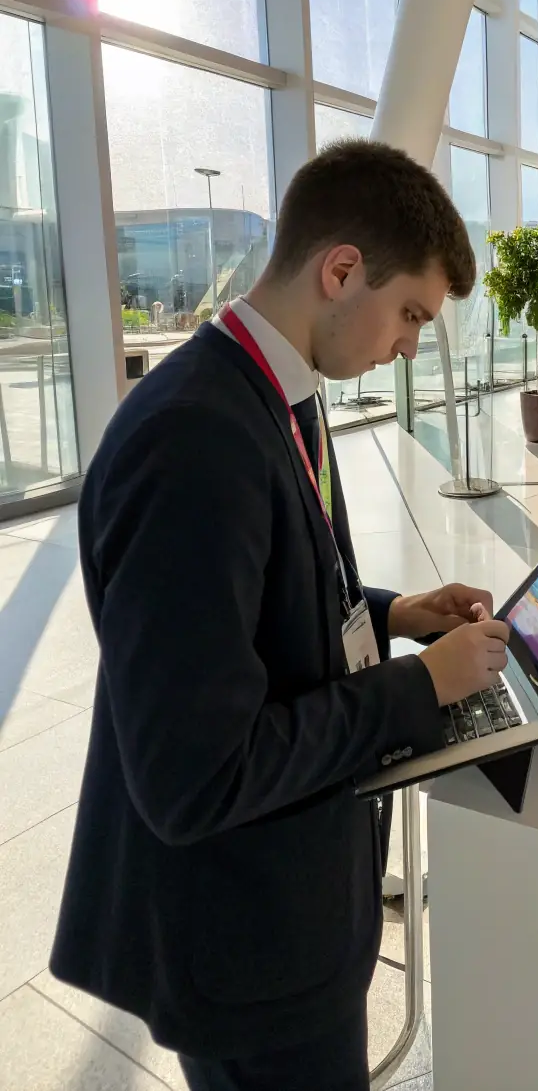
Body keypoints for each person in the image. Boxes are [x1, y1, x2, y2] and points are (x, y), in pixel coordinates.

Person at [50, 140, 513, 1091]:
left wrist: (396, 613)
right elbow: (197, 774)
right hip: (243, 950)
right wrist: (420, 686)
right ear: (341, 270)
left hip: (290, 910)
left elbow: (266, 608)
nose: (409, 347)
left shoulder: (277, 392)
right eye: (411, 314)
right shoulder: (193, 437)